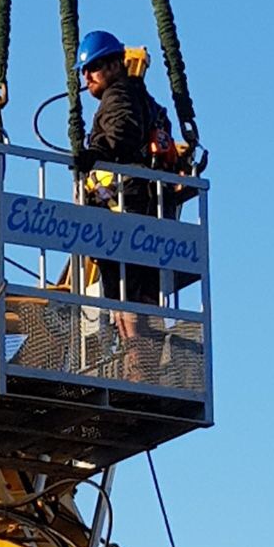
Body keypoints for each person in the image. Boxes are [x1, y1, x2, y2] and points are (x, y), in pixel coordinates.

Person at [75, 28, 172, 380]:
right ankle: (145, 365)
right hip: (144, 206)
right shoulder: (144, 100)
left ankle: (137, 366)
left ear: (116, 65)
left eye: (94, 68)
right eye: (84, 70)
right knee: (141, 292)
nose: (87, 77)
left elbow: (122, 134)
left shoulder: (119, 96)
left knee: (123, 291)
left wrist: (96, 153)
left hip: (122, 205)